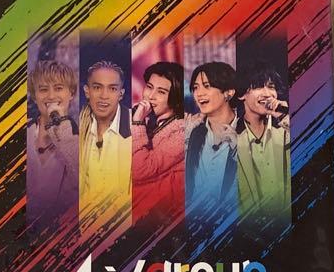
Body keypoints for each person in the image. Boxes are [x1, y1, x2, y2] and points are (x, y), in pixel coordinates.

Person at [185, 61, 240, 238]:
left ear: (229, 92)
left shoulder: (247, 132)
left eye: (207, 86)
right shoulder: (194, 133)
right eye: (195, 88)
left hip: (232, 229)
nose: (199, 93)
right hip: (194, 229)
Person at [236, 63, 291, 230]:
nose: (267, 94)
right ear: (242, 94)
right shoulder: (230, 139)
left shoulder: (286, 132)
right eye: (259, 86)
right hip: (248, 232)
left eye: (271, 87)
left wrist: (284, 116)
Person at [131, 61, 189, 220]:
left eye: (161, 92)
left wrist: (137, 123)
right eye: (149, 87)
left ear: (175, 98)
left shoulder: (181, 131)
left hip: (161, 218)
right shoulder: (148, 119)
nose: (150, 96)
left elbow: (140, 171)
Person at [78, 59, 132, 231]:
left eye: (112, 88)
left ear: (121, 94)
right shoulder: (77, 129)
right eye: (97, 87)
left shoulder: (138, 127)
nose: (104, 96)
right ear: (87, 91)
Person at [26, 59, 80, 228]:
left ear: (71, 93)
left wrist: (62, 126)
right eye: (43, 89)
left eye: (58, 88)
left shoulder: (84, 137)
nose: (50, 96)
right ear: (34, 96)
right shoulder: (21, 132)